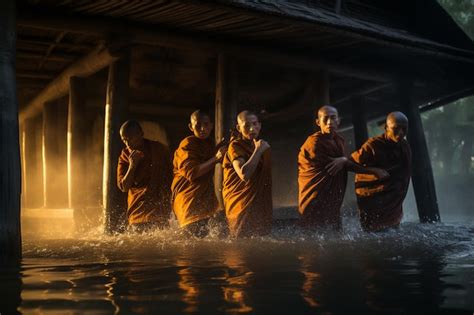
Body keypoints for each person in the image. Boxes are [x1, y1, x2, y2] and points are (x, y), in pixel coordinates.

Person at [298, 105, 388, 231]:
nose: (329, 122)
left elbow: (343, 163)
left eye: (333, 118)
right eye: (325, 119)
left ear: (338, 121)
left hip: (332, 199)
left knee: (334, 234)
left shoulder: (339, 140)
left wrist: (344, 160)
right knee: (315, 235)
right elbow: (343, 164)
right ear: (318, 122)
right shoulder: (314, 143)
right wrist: (372, 170)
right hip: (314, 198)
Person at [351, 111, 411, 232]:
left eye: (404, 129)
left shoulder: (404, 146)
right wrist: (374, 171)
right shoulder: (373, 145)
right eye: (396, 129)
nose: (400, 133)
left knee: (393, 236)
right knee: (374, 236)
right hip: (374, 200)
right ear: (386, 128)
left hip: (394, 203)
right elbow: (350, 163)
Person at [171, 110, 227, 237]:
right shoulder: (187, 144)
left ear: (212, 126)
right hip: (189, 202)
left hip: (204, 202)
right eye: (198, 125)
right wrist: (216, 158)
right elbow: (192, 173)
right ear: (191, 127)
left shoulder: (209, 143)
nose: (203, 129)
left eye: (206, 125)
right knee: (192, 244)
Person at [222, 110, 272, 237]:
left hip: (258, 203)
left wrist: (259, 149)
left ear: (259, 125)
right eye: (246, 126)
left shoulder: (260, 146)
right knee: (241, 242)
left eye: (255, 124)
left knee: (260, 243)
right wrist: (258, 151)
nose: (251, 129)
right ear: (239, 128)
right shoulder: (235, 146)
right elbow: (244, 175)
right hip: (241, 204)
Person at [117, 120, 172, 232]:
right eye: (124, 140)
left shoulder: (158, 149)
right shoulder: (124, 156)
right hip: (138, 213)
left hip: (160, 210)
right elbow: (124, 187)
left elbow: (172, 173)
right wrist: (132, 165)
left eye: (131, 138)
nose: (128, 144)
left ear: (141, 134)